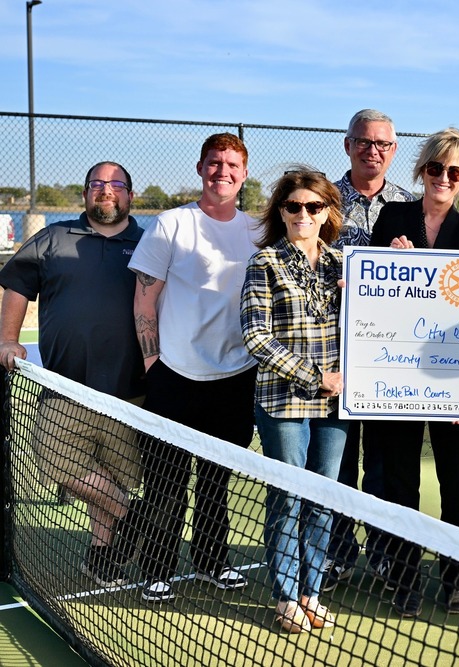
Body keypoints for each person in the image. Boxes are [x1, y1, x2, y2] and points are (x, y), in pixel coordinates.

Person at [0, 162, 145, 588]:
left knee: (114, 475)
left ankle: (100, 558)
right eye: (96, 185)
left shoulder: (150, 242)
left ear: (130, 195)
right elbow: (17, 287)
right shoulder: (52, 238)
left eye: (115, 184)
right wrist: (8, 339)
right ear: (84, 194)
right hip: (64, 387)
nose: (105, 191)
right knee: (59, 466)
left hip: (132, 392)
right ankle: (134, 516)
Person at [130, 133, 258, 603]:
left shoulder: (259, 230)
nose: (222, 171)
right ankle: (157, 568)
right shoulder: (170, 225)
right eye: (214, 163)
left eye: (231, 164)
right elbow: (145, 298)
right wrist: (153, 363)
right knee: (166, 480)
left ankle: (211, 561)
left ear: (244, 174)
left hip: (236, 377)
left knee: (216, 481)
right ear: (200, 168)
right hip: (175, 376)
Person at [369, 128, 459, 617]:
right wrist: (391, 265)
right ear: (421, 171)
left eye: (453, 172)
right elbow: (371, 293)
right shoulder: (391, 219)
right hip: (398, 377)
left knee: (456, 480)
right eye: (435, 168)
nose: (443, 178)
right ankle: (404, 578)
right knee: (400, 482)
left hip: (452, 382)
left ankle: (458, 579)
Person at [241, 169, 350, 633]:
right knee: (288, 497)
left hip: (337, 405)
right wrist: (315, 377)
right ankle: (287, 595)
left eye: (313, 207)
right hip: (283, 401)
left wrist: (362, 296)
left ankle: (312, 591)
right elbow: (255, 337)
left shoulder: (348, 266)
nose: (303, 214)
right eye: (294, 207)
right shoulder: (263, 263)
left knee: (323, 498)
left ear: (327, 212)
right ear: (281, 211)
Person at [325, 109, 417, 586]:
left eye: (382, 143)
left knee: (382, 464)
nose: (372, 150)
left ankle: (383, 552)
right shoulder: (322, 200)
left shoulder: (410, 204)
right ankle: (339, 550)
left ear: (394, 150)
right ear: (348, 145)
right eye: (363, 141)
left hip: (388, 357)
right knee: (339, 460)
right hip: (333, 353)